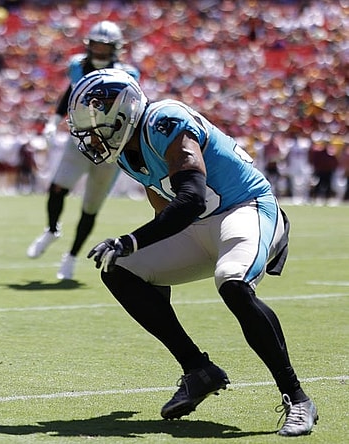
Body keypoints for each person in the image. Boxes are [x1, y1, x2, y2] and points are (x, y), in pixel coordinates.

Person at [68, 69, 318, 436]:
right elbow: (164, 209)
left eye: (97, 122)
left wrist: (132, 239)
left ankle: (297, 399)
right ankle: (198, 370)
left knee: (232, 282)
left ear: (122, 110)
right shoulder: (126, 152)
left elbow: (190, 198)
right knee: (118, 268)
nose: (93, 134)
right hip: (198, 226)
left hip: (244, 208)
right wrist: (146, 264)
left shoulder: (165, 120)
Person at [27, 21, 139, 280]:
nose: (99, 51)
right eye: (96, 46)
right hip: (81, 140)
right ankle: (52, 229)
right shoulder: (78, 66)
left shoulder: (127, 74)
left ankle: (72, 256)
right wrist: (53, 121)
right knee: (57, 188)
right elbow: (70, 93)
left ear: (115, 49)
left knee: (90, 207)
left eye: (104, 47)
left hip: (111, 146)